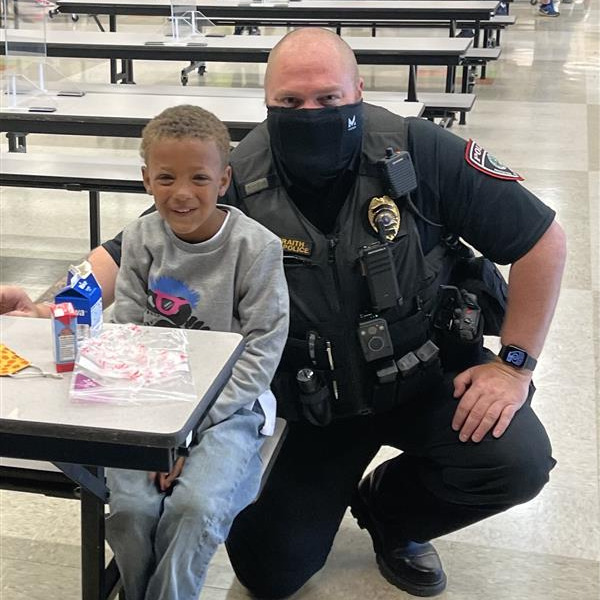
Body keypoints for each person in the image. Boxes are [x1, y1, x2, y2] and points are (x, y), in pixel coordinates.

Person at [2, 28, 566, 599]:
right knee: (270, 572)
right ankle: (321, 500)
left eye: (328, 99)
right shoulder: (234, 175)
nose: (311, 113)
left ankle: (394, 517)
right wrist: (51, 306)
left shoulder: (422, 152)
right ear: (268, 103)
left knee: (514, 460)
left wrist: (513, 366)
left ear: (359, 90)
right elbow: (129, 253)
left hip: (425, 374)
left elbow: (543, 241)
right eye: (290, 103)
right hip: (314, 404)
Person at [103, 105, 289, 600]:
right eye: (165, 178)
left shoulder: (258, 248)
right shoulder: (141, 238)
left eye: (199, 178)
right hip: (147, 406)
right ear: (146, 181)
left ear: (224, 180)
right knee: (131, 511)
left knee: (196, 509)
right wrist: (159, 434)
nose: (181, 192)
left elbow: (261, 351)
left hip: (227, 410)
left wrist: (184, 436)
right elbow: (128, 333)